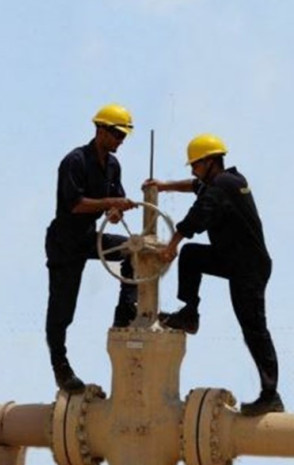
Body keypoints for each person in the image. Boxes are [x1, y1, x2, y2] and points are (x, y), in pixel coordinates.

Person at [148, 133, 283, 416]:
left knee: (254, 329)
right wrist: (163, 186)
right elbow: (194, 187)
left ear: (210, 162)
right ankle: (189, 314)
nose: (194, 171)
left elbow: (196, 217)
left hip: (249, 268)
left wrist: (172, 245)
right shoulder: (225, 181)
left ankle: (271, 395)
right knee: (192, 256)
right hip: (233, 260)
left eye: (196, 165)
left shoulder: (222, 187)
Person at [45, 104, 138, 393]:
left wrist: (115, 212)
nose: (121, 140)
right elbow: (75, 204)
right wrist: (110, 204)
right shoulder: (74, 161)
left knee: (134, 250)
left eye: (123, 136)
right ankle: (60, 366)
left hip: (88, 238)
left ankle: (125, 314)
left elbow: (115, 200)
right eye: (117, 134)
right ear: (100, 130)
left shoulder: (113, 165)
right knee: (62, 310)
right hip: (64, 242)